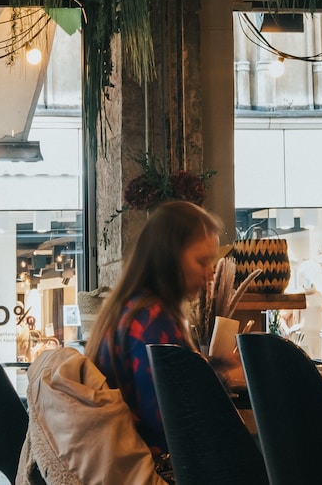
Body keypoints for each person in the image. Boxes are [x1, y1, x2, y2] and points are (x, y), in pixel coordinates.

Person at [85, 200, 223, 469]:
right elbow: (173, 422)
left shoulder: (127, 310)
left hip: (118, 465)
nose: (210, 274)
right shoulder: (153, 322)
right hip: (155, 470)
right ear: (169, 256)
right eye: (202, 260)